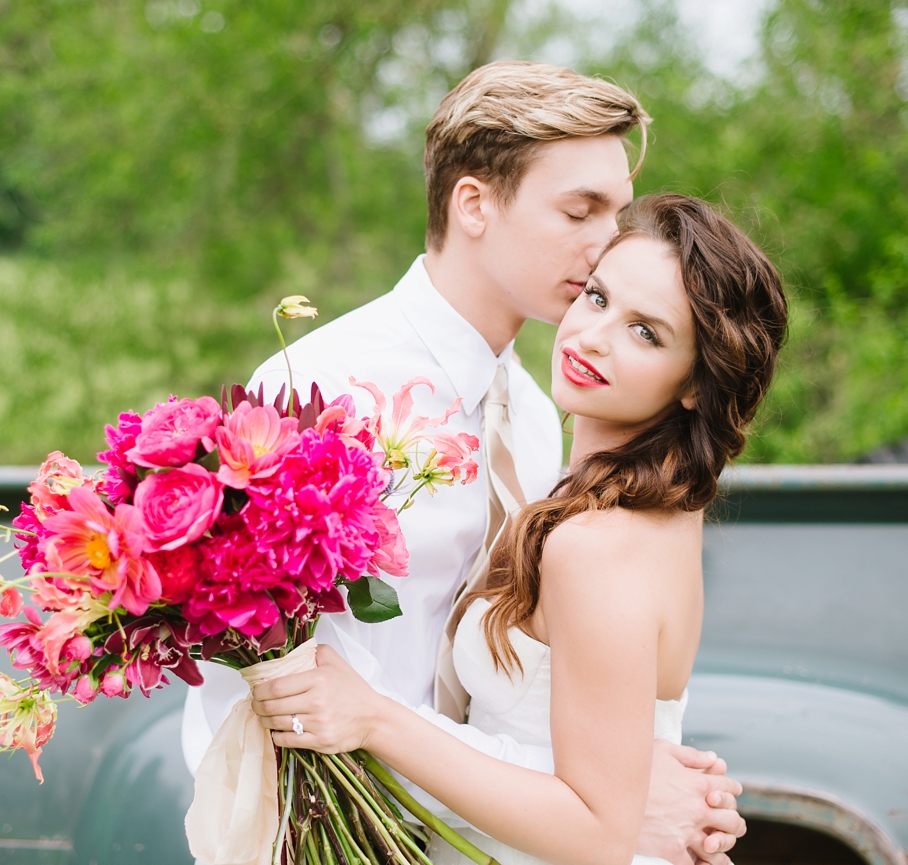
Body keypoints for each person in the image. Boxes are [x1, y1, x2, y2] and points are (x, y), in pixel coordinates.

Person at [181, 61, 746, 862]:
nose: (605, 246)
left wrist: (609, 795)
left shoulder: (540, 414)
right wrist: (622, 806)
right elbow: (275, 701)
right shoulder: (321, 390)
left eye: (616, 213)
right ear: (474, 203)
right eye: (579, 210)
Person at [249, 193, 788, 865]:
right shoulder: (635, 506)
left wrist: (373, 716)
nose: (594, 335)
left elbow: (598, 830)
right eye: (597, 298)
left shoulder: (598, 544)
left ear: (694, 385)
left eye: (646, 331)